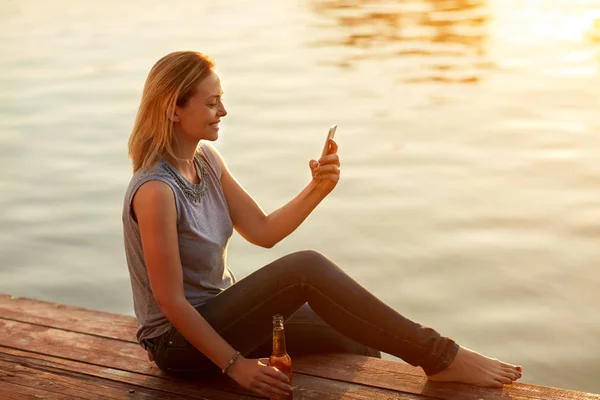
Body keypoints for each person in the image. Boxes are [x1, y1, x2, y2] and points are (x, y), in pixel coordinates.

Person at [122, 51, 522, 399]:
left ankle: (417, 372)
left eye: (221, 100)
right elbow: (171, 302)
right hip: (178, 346)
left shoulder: (206, 160)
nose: (223, 112)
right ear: (174, 108)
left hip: (222, 322)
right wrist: (236, 366)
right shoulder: (156, 190)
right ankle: (439, 355)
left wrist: (318, 188)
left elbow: (262, 232)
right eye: (211, 104)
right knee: (305, 269)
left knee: (356, 334)